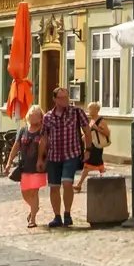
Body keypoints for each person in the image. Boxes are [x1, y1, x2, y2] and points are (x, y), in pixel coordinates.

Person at [40, 86, 90, 228]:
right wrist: (40, 158)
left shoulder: (76, 112)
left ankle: (67, 214)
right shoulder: (48, 117)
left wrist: (88, 149)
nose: (65, 100)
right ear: (55, 99)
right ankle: (57, 216)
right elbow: (44, 138)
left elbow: (87, 131)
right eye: (61, 98)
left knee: (67, 183)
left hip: (71, 153)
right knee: (54, 187)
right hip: (54, 155)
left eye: (66, 97)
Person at [6, 108, 48, 228]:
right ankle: (34, 208)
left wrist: (42, 159)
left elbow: (45, 146)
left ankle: (33, 219)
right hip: (24, 166)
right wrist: (9, 161)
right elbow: (16, 146)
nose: (32, 117)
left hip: (37, 166)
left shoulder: (43, 131)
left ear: (40, 117)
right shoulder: (23, 130)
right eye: (30, 115)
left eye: (35, 115)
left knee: (34, 192)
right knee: (25, 192)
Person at [82, 102, 111, 181]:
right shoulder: (92, 120)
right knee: (99, 165)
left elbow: (107, 133)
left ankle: (79, 184)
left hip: (97, 146)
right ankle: (105, 181)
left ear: (96, 110)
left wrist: (97, 128)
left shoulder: (101, 120)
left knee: (87, 165)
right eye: (88, 109)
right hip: (92, 145)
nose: (89, 111)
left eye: (90, 109)